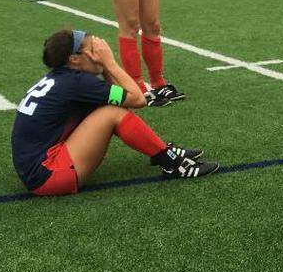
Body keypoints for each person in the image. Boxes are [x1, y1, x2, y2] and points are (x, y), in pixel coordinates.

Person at [11, 30, 218, 196]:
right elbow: (138, 99)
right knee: (111, 112)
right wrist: (109, 62)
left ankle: (163, 152)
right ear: (74, 59)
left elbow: (120, 95)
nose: (100, 51)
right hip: (48, 174)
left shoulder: (65, 78)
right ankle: (172, 163)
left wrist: (102, 68)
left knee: (111, 107)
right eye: (94, 49)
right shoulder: (77, 82)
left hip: (38, 169)